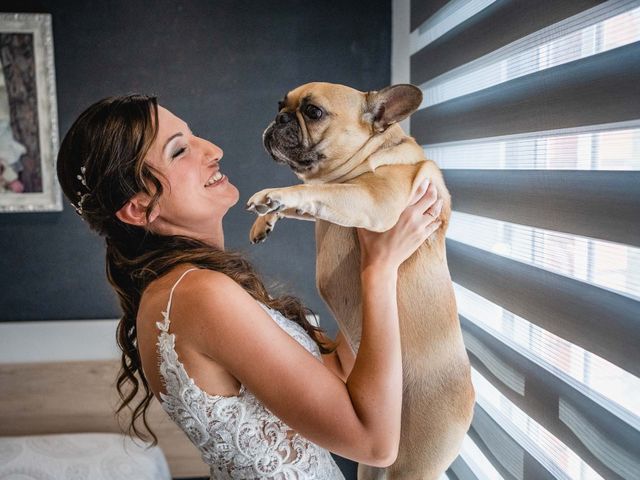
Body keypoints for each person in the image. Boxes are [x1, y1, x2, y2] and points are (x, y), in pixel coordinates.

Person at [56, 94, 443, 479]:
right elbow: (374, 443)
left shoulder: (184, 288)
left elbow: (342, 369)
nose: (213, 150)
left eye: (194, 136)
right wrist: (378, 270)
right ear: (139, 208)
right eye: (179, 151)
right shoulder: (201, 295)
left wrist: (372, 235)